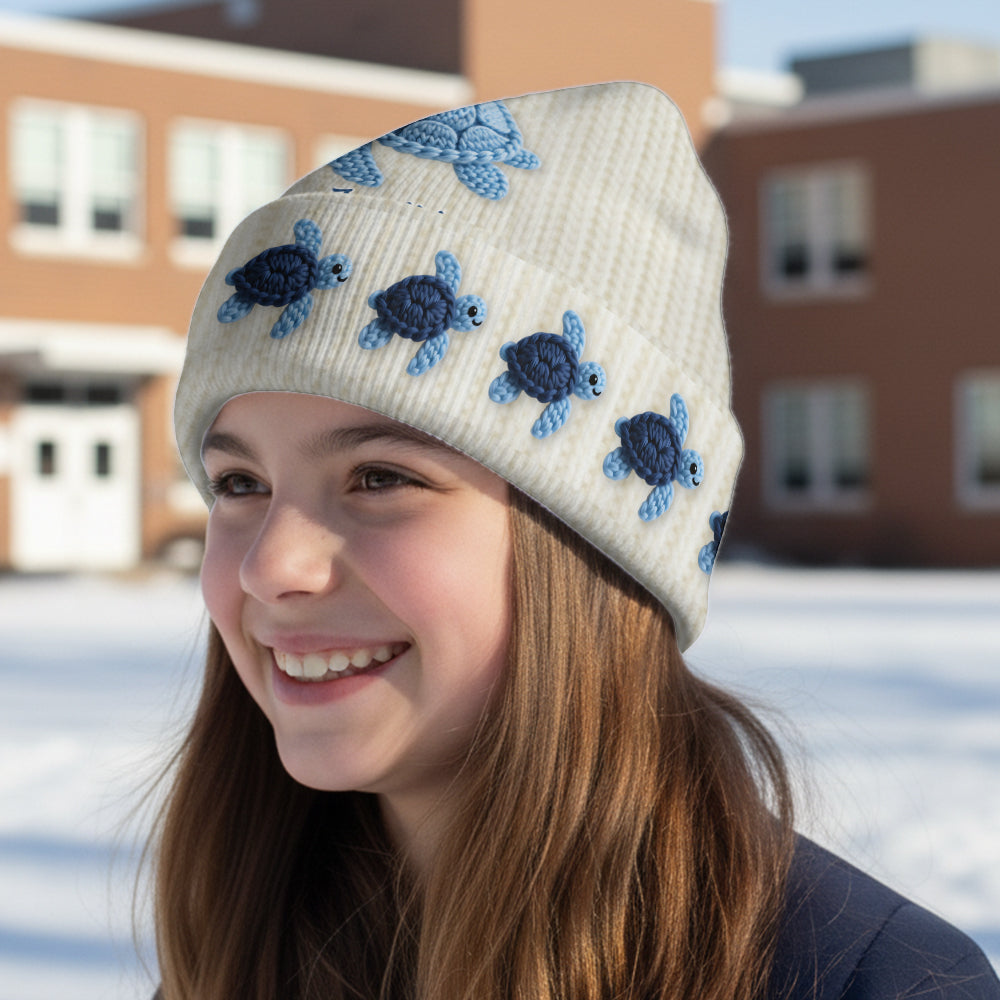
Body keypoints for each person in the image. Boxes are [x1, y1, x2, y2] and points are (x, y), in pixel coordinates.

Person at [156, 82, 999, 999]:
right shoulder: (244, 949)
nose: (271, 565)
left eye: (382, 478)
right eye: (239, 484)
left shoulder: (878, 984)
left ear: (594, 547)